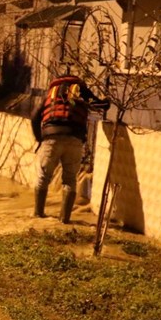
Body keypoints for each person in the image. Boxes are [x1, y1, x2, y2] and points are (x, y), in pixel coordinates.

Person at [31, 70, 109, 221]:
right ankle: (64, 220)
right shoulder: (80, 90)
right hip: (74, 138)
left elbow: (35, 116)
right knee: (70, 179)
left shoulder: (51, 93)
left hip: (51, 138)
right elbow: (100, 105)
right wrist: (107, 101)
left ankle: (38, 215)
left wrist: (39, 138)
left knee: (43, 178)